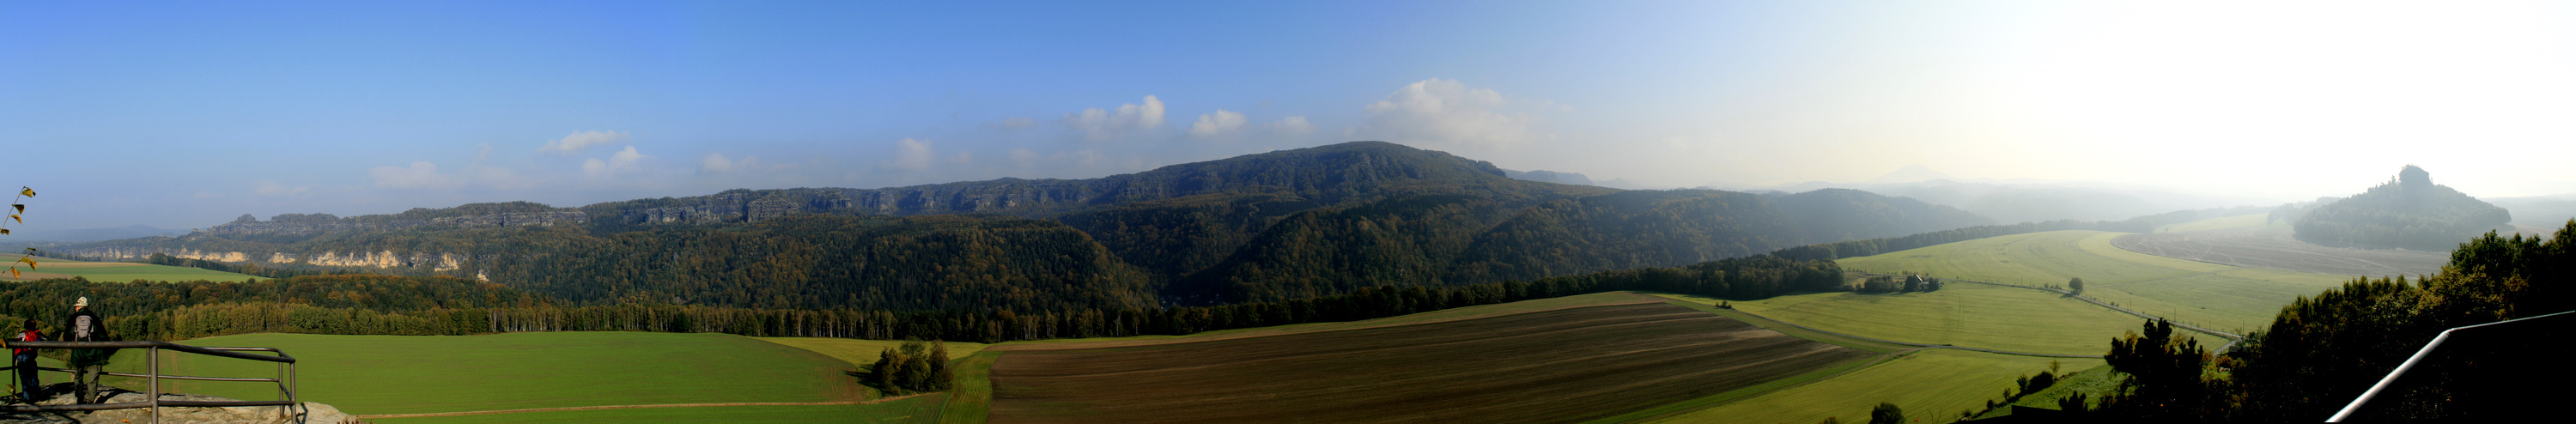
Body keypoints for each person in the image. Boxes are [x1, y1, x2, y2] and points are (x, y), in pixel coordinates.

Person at [64, 297, 105, 404]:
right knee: (93, 377)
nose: (75, 309)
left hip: (78, 352)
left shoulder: (73, 318)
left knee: (78, 375)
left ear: (78, 307)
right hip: (94, 353)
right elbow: (103, 336)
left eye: (76, 307)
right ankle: (90, 399)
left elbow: (67, 336)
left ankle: (79, 396)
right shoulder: (94, 318)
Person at [11, 318, 39, 403]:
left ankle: (27, 398)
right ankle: (34, 396)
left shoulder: (22, 333)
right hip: (30, 356)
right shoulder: (36, 333)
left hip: (20, 357)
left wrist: (14, 359)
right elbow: (47, 339)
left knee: (24, 379)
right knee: (33, 377)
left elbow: (15, 344)